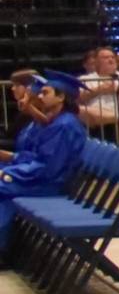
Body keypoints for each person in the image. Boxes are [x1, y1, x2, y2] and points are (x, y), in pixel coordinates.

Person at [0, 74, 87, 240]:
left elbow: (48, 168)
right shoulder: (58, 122)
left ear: (61, 97)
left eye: (45, 93)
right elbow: (39, 158)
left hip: (48, 184)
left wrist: (9, 174)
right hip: (39, 179)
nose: (39, 96)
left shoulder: (64, 126)